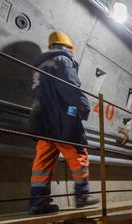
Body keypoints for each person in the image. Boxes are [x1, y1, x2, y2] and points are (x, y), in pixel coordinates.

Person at [28, 31, 99, 214]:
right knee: (78, 153)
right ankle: (82, 195)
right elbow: (69, 85)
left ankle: (38, 202)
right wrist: (83, 105)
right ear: (67, 47)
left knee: (42, 163)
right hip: (61, 119)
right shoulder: (63, 60)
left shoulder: (39, 66)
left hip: (42, 123)